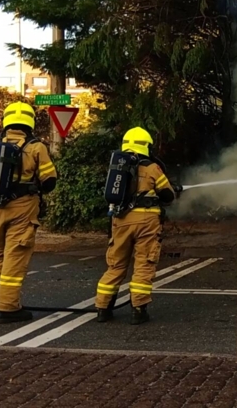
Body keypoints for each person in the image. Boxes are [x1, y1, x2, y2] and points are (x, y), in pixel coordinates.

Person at [0, 102, 57, 324]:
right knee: (15, 257)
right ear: (29, 122)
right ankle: (9, 308)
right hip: (22, 208)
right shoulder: (36, 147)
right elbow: (49, 180)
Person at [95, 127, 176, 325]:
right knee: (143, 264)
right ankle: (138, 310)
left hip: (120, 220)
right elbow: (168, 195)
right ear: (146, 145)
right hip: (146, 222)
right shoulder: (151, 167)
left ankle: (103, 309)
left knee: (116, 265)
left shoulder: (117, 167)